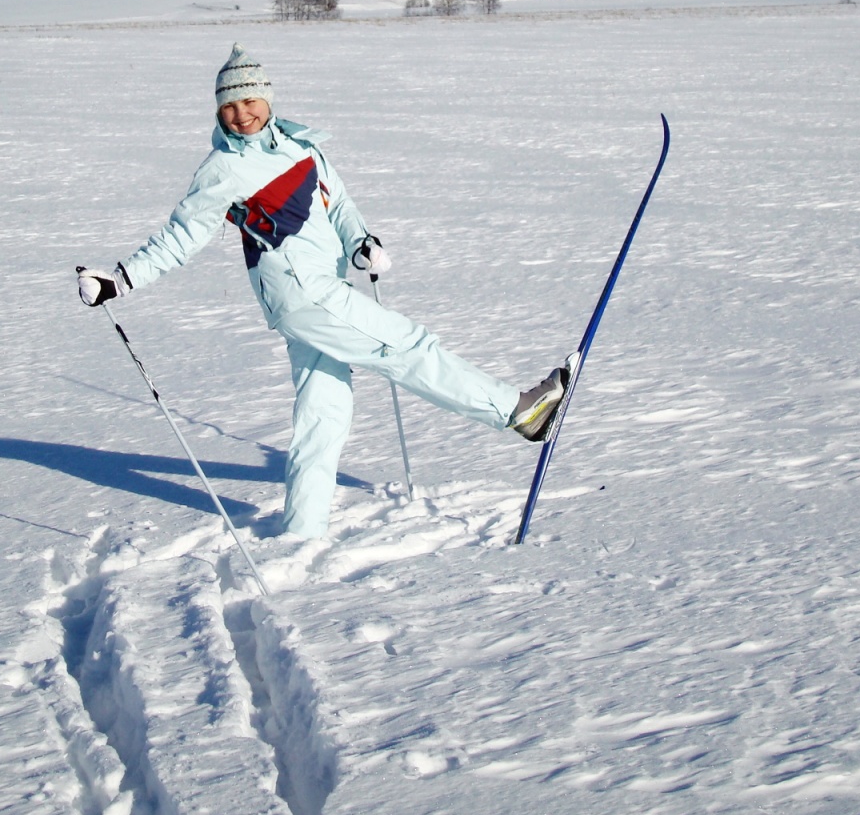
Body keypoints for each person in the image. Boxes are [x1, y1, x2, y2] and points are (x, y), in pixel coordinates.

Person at [77, 44, 567, 538]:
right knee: (408, 345)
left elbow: (339, 203)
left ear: (267, 100)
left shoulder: (300, 145)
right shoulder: (223, 169)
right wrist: (120, 279)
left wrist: (361, 242)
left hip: (320, 287)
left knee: (323, 413)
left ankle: (302, 531)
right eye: (228, 106)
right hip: (302, 294)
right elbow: (181, 235)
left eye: (249, 102)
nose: (241, 114)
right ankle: (518, 410)